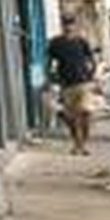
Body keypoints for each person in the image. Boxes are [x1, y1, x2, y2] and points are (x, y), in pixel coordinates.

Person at [46, 23, 100, 154]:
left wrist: (92, 74)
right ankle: (77, 143)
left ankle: (84, 144)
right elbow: (49, 61)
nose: (68, 27)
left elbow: (92, 59)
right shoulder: (56, 43)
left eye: (71, 24)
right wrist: (50, 77)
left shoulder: (81, 41)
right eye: (66, 24)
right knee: (71, 117)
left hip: (84, 83)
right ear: (62, 26)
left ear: (75, 26)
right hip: (67, 84)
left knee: (86, 113)